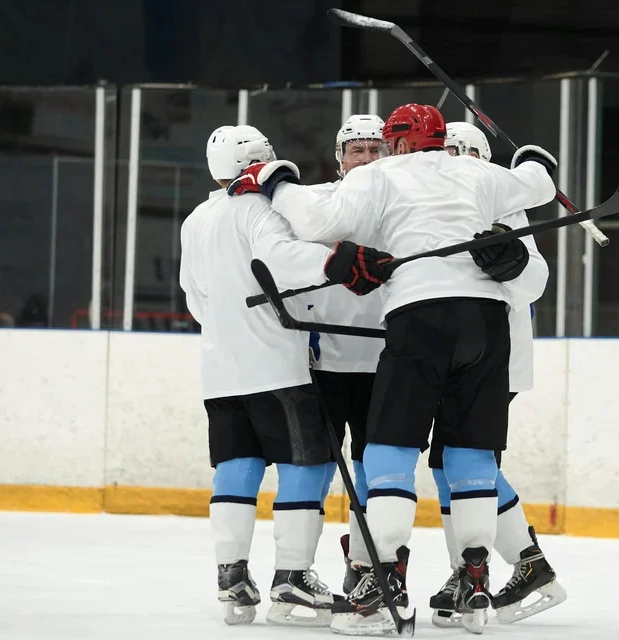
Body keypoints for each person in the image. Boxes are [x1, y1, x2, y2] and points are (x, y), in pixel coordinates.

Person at [226, 103, 556, 635]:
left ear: (396, 143)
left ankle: (381, 586)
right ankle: (474, 583)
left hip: (421, 319)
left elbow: (313, 219)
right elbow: (536, 186)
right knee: (470, 453)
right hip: (488, 325)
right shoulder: (479, 174)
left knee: (388, 451)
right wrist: (538, 160)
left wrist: (279, 182)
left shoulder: (382, 175)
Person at [178, 124, 393, 627]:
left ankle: (231, 577)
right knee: (308, 466)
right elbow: (282, 258)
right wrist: (341, 260)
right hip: (277, 367)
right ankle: (292, 579)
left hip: (220, 372)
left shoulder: (198, 218)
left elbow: (195, 296)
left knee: (237, 466)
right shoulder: (259, 210)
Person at [427, 121, 567, 627]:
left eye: (469, 151)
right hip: (451, 358)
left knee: (464, 464)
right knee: (451, 464)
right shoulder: (437, 203)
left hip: (492, 363)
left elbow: (535, 281)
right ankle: (511, 566)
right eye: (451, 151)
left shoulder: (504, 204)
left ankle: (487, 570)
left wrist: (512, 262)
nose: (460, 158)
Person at [302, 114, 388, 594]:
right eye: (358, 150)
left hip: (384, 363)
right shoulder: (316, 205)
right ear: (340, 158)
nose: (368, 158)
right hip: (325, 364)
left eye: (377, 149)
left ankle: (365, 565)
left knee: (375, 473)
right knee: (313, 471)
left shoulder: (404, 204)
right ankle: (296, 570)